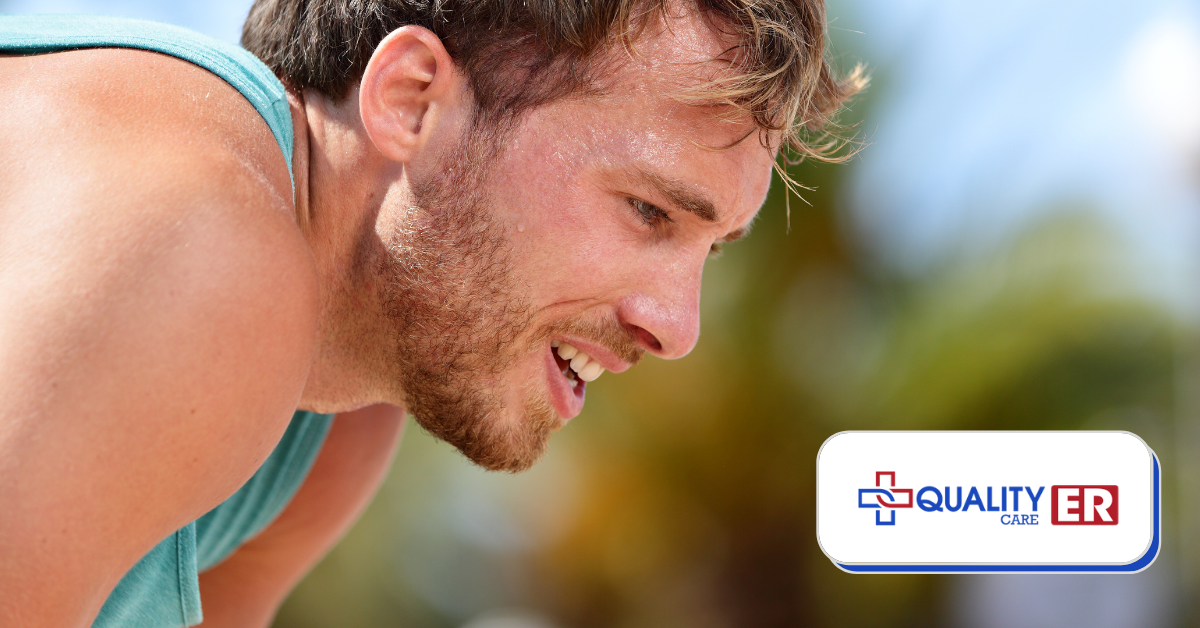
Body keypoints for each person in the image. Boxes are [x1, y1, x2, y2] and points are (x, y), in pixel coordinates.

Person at [0, 0, 862, 625]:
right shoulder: (197, 241)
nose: (678, 329)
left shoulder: (338, 414)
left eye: (712, 250)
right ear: (413, 102)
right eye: (648, 211)